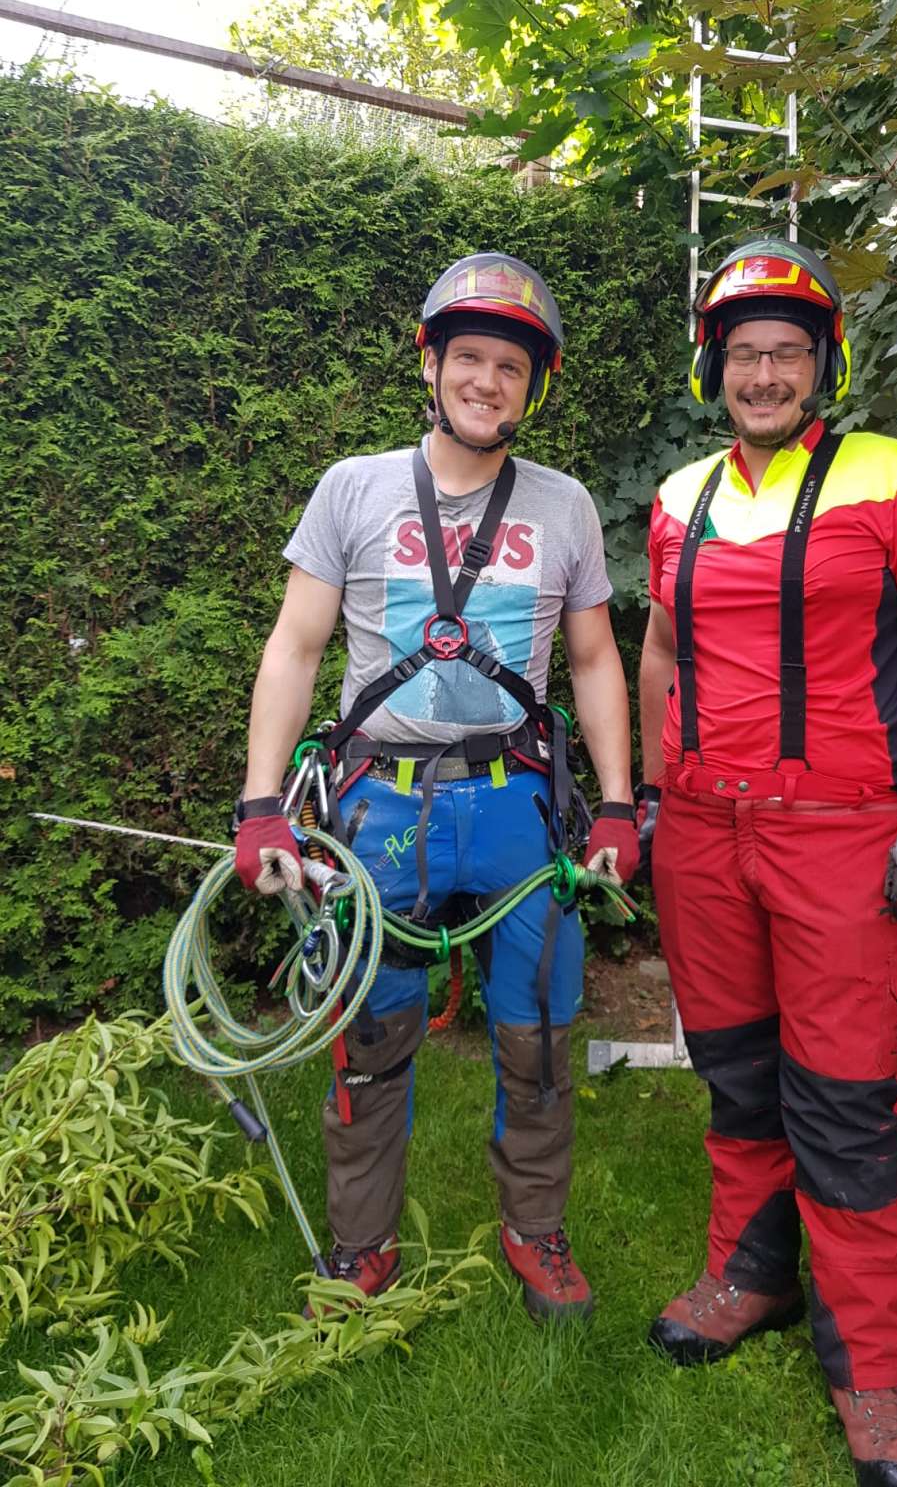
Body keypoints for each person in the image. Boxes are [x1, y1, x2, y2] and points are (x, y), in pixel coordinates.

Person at [637, 239, 897, 1486]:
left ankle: (877, 1374)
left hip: (846, 832)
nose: (766, 373)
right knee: (737, 1075)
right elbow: (662, 650)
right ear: (715, 370)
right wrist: (639, 792)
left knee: (844, 1106)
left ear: (822, 362)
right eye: (744, 355)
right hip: (701, 828)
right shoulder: (677, 496)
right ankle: (753, 1276)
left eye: (787, 352)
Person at [233, 253, 639, 1322]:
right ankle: (363, 1245)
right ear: (433, 363)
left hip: (518, 803)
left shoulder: (566, 507)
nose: (488, 381)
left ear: (532, 385)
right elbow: (294, 644)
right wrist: (261, 800)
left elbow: (594, 661)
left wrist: (616, 801)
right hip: (382, 805)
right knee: (371, 1031)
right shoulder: (353, 488)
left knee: (540, 1033)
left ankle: (534, 1229)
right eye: (470, 358)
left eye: (511, 365)